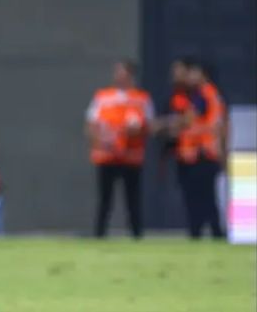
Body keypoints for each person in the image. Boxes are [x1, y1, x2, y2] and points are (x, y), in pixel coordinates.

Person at [85, 60, 153, 238]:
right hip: (107, 156)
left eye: (122, 72)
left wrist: (137, 130)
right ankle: (99, 235)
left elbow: (149, 126)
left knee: (133, 199)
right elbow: (91, 124)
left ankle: (137, 235)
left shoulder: (141, 98)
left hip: (131, 156)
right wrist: (100, 141)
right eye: (116, 72)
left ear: (130, 75)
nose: (118, 76)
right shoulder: (102, 96)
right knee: (105, 199)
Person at [169, 60, 226, 239]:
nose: (190, 77)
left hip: (201, 154)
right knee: (204, 199)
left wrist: (168, 124)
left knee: (201, 199)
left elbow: (190, 119)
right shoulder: (209, 94)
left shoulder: (204, 94)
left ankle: (206, 233)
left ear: (203, 75)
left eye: (194, 73)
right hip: (200, 154)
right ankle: (209, 233)